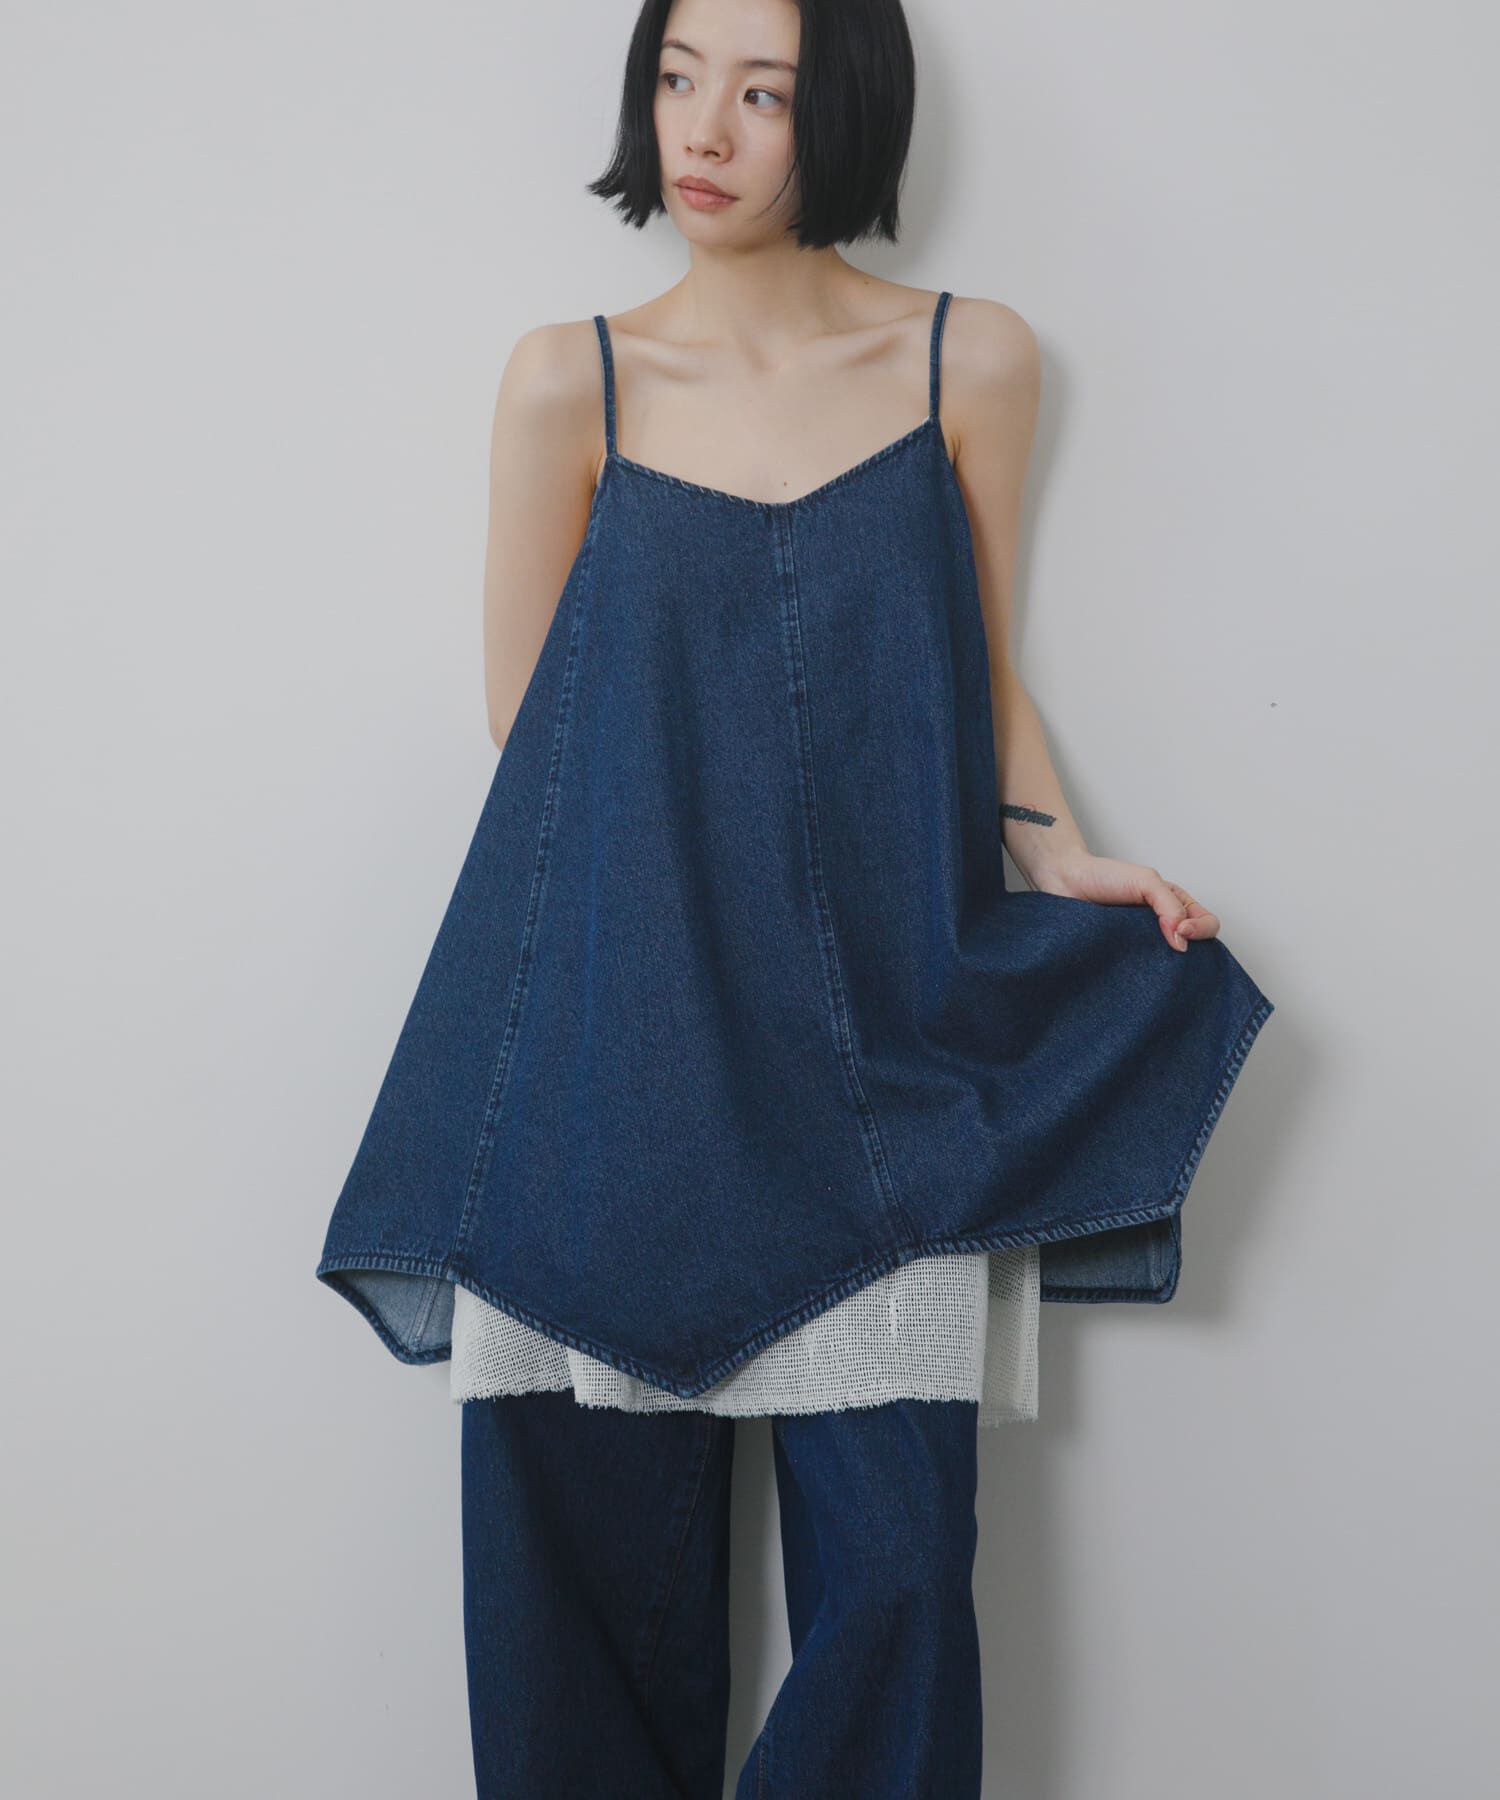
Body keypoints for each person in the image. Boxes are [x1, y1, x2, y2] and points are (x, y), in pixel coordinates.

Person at [315, 3, 1275, 1794]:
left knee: (897, 1600)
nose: (706, 130)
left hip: (877, 1083)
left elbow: (978, 670)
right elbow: (539, 740)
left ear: (843, 111)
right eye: (679, 78)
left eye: (761, 92)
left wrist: (1058, 850)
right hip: (618, 1071)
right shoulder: (569, 381)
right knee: (575, 1632)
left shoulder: (967, 361)